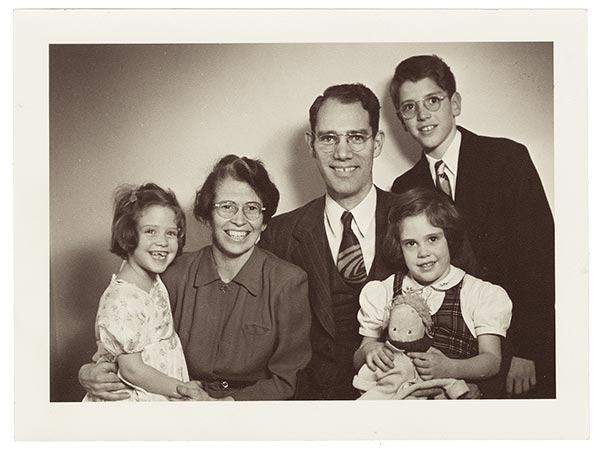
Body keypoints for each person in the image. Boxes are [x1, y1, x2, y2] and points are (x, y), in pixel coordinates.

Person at [389, 54, 555, 398]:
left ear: (455, 103)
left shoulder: (507, 159)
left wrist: (528, 349)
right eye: (409, 107)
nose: (422, 115)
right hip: (442, 357)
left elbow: (541, 258)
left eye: (432, 101)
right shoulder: (404, 187)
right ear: (401, 120)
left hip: (514, 347)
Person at [79, 155, 312, 401]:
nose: (240, 219)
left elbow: (288, 381)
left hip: (244, 414)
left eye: (252, 208)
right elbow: (123, 330)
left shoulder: (288, 283)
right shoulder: (170, 271)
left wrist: (223, 406)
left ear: (264, 221)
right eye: (227, 206)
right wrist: (89, 372)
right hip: (175, 403)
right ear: (207, 215)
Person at [259, 83, 399, 400]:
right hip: (310, 408)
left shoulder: (417, 220)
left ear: (377, 143)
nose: (342, 153)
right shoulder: (279, 234)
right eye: (329, 138)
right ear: (311, 144)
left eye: (356, 137)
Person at [353, 187, 513, 399]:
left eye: (433, 239)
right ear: (399, 247)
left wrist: (452, 368)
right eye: (411, 243)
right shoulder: (383, 291)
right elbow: (358, 357)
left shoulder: (477, 293)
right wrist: (369, 351)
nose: (423, 253)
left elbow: (492, 360)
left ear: (449, 238)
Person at [83, 182, 203, 401]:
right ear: (128, 235)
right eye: (150, 231)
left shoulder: (152, 279)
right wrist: (182, 389)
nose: (163, 242)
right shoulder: (123, 299)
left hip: (160, 384)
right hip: (140, 396)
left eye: (171, 233)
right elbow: (132, 370)